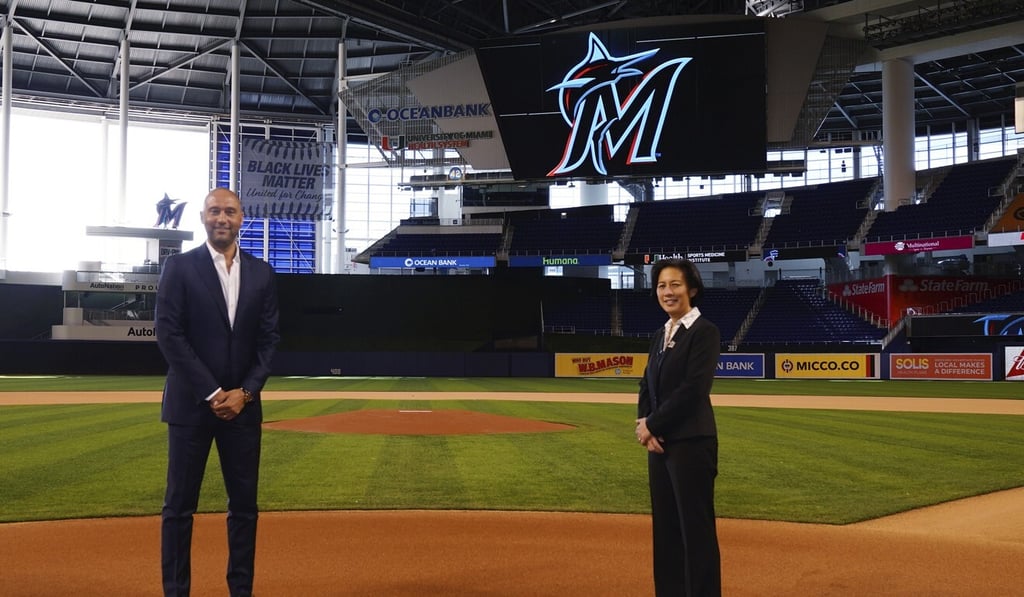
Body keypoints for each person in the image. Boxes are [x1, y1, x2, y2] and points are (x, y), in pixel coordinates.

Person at [156, 187, 280, 597]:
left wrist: (244, 392)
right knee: (178, 509)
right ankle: (177, 591)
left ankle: (240, 590)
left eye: (229, 211)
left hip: (243, 410)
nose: (221, 218)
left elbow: (269, 342)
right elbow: (169, 336)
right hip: (191, 406)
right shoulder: (179, 267)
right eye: (213, 211)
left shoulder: (262, 273)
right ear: (203, 218)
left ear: (241, 217)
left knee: (244, 509)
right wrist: (212, 392)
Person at [635, 257, 722, 596]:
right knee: (667, 530)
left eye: (675, 285)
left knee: (695, 531)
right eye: (661, 285)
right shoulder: (660, 334)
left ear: (692, 289)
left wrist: (654, 424)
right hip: (660, 445)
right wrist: (646, 427)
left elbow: (694, 389)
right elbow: (647, 385)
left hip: (691, 443)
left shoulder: (705, 332)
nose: (667, 292)